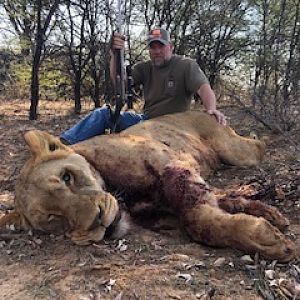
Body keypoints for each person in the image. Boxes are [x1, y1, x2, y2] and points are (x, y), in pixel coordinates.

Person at [61, 28, 227, 145]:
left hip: (175, 125)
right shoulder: (145, 67)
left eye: (161, 46)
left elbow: (204, 89)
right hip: (146, 121)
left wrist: (211, 109)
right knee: (104, 114)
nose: (156, 51)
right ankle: (64, 143)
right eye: (152, 47)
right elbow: (120, 82)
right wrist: (114, 54)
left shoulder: (186, 65)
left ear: (171, 47)